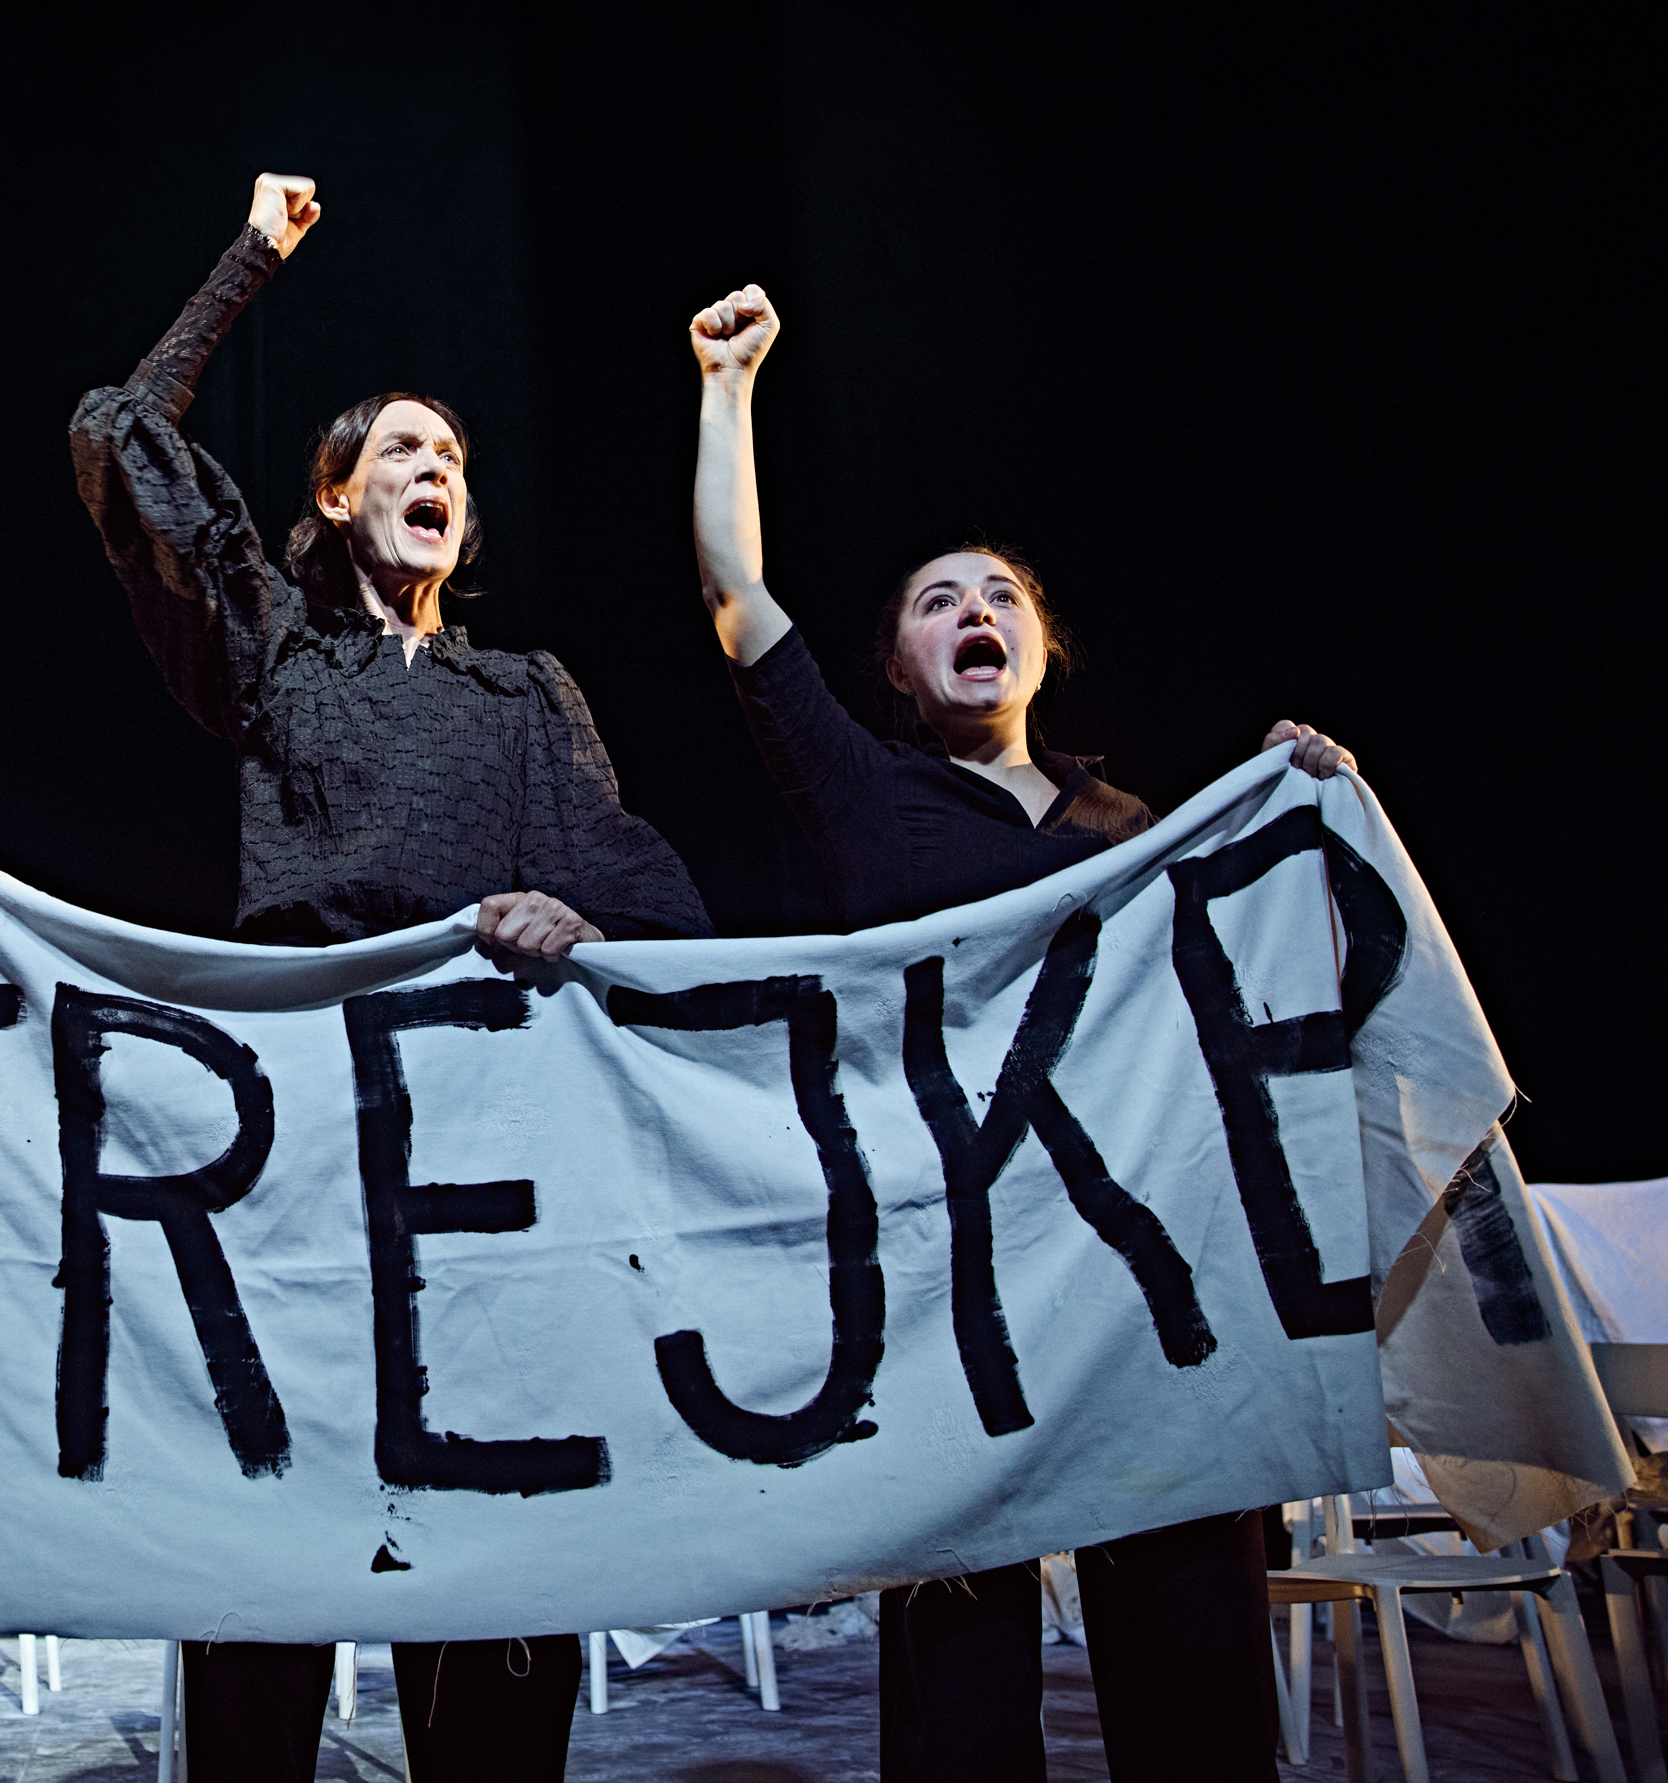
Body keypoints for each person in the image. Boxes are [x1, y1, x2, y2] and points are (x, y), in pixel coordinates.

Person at [68, 176, 712, 1782]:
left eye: (458, 462)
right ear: (338, 494)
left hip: (490, 1145)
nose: (440, 473)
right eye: (407, 451)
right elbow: (119, 435)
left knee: (493, 1562)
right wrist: (250, 258)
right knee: (271, 1541)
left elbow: (636, 880)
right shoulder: (278, 646)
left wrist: (593, 926)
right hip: (297, 1147)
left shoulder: (525, 689)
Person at [687, 280, 1352, 1783]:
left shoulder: (1138, 831)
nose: (972, 611)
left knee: (1193, 1681)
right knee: (964, 1698)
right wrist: (728, 385)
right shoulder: (869, 798)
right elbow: (738, 594)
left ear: (1043, 645)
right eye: (938, 599)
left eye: (998, 594)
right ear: (900, 670)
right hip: (953, 1292)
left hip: (1146, 1302)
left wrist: (1291, 796)